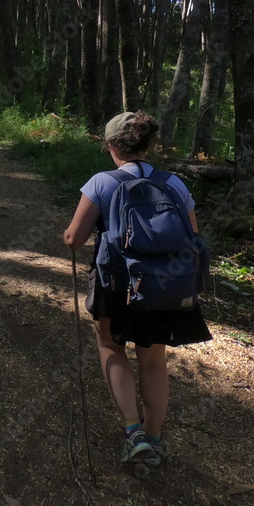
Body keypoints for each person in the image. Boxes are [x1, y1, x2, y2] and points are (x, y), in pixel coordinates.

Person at [63, 110, 212, 468]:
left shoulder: (101, 182)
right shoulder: (173, 183)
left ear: (112, 145)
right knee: (153, 357)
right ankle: (155, 435)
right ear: (148, 145)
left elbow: (75, 238)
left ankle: (133, 432)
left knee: (111, 348)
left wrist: (68, 235)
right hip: (161, 286)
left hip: (115, 284)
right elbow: (189, 238)